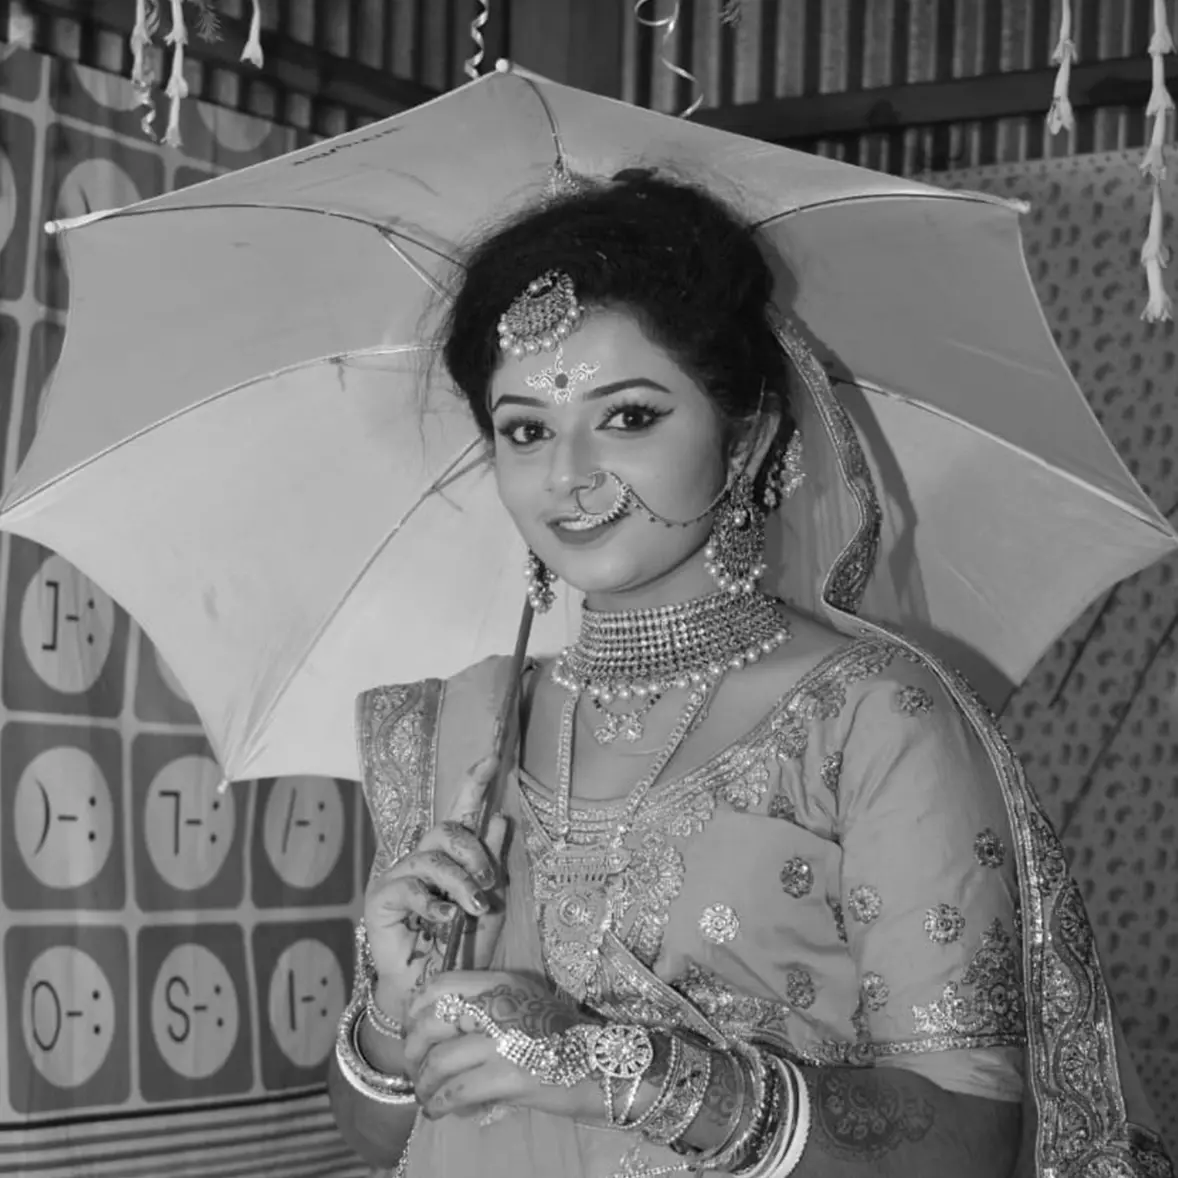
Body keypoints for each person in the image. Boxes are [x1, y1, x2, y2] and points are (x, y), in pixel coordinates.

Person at [327, 171, 1174, 1178]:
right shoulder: (466, 722)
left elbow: (968, 1139)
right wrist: (392, 998)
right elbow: (384, 1136)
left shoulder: (870, 718)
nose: (568, 474)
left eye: (628, 415)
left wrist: (620, 1068)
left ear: (751, 432)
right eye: (524, 429)